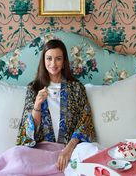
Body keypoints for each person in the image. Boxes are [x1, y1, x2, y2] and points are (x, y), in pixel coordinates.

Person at [16, 39, 97, 172]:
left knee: (94, 152)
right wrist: (37, 104)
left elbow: (85, 122)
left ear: (64, 62)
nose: (53, 63)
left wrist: (68, 150)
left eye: (58, 59)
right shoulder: (34, 88)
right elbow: (27, 130)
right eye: (49, 58)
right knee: (16, 155)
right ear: (43, 61)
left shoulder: (77, 88)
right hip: (42, 152)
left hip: (72, 150)